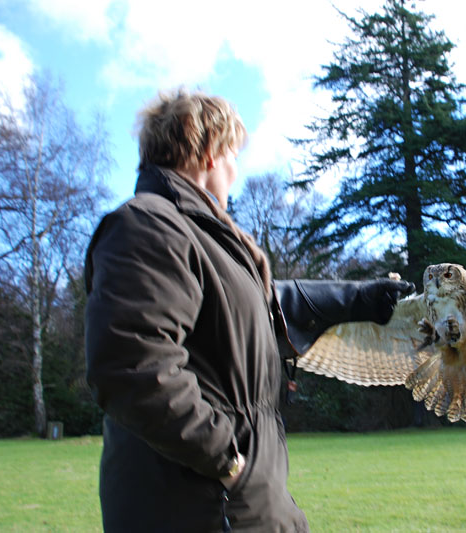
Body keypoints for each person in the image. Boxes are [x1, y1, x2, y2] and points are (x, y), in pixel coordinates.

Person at [83, 89, 414, 532]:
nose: (235, 171)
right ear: (207, 152)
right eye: (232, 154)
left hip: (240, 497)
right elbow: (132, 366)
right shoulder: (148, 226)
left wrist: (363, 297)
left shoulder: (201, 237)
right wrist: (227, 460)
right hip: (200, 505)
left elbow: (259, 303)